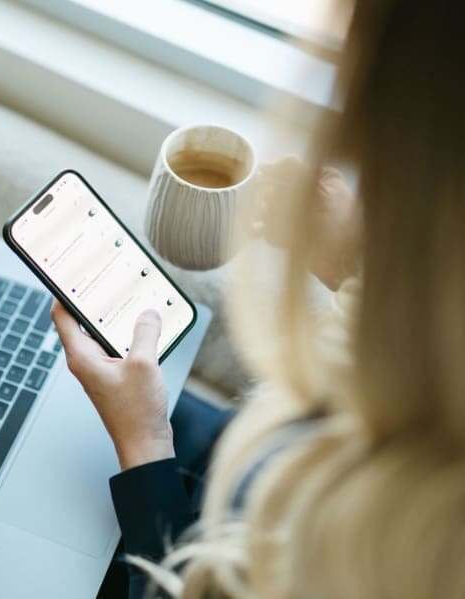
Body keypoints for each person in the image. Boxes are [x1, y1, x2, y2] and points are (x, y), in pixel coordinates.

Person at [53, 0, 465, 597]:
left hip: (179, 544)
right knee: (52, 391)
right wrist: (360, 267)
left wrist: (144, 443)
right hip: (233, 465)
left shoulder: (402, 538)